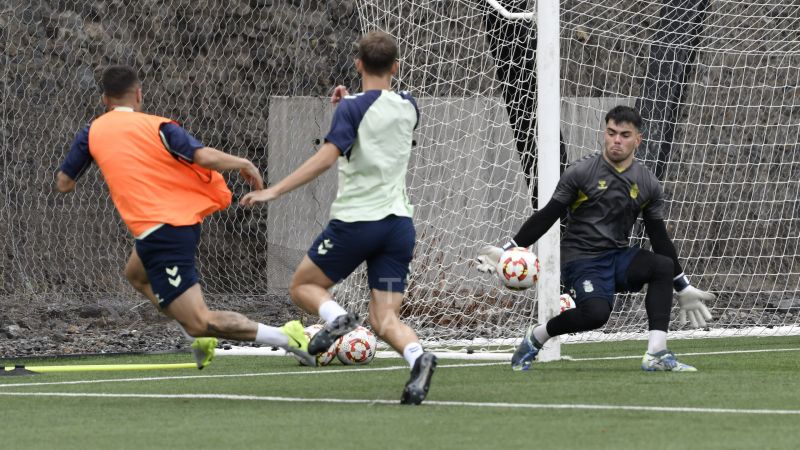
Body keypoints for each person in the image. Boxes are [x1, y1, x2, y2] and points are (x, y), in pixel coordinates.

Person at [56, 65, 314, 368]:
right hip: (162, 227)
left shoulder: (92, 131)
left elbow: (64, 184)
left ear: (105, 100)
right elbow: (202, 156)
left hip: (165, 231)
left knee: (200, 321)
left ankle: (286, 336)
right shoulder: (160, 127)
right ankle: (197, 334)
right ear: (138, 95)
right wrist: (244, 163)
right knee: (136, 275)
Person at [240, 31, 436, 404]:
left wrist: (274, 190)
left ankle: (337, 319)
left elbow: (326, 157)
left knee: (303, 286)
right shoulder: (409, 106)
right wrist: (349, 104)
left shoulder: (351, 109)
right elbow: (379, 117)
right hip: (398, 228)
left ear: (358, 64)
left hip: (358, 224)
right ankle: (418, 357)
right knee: (384, 319)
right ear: (396, 67)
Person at [477, 105, 715, 372]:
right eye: (611, 133)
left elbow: (658, 236)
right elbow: (547, 215)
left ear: (638, 140)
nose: (616, 140)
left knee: (662, 266)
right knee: (596, 315)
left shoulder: (647, 182)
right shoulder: (581, 173)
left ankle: (657, 353)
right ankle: (537, 336)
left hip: (617, 257)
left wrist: (682, 286)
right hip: (580, 260)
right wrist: (508, 249)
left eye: (624, 135)